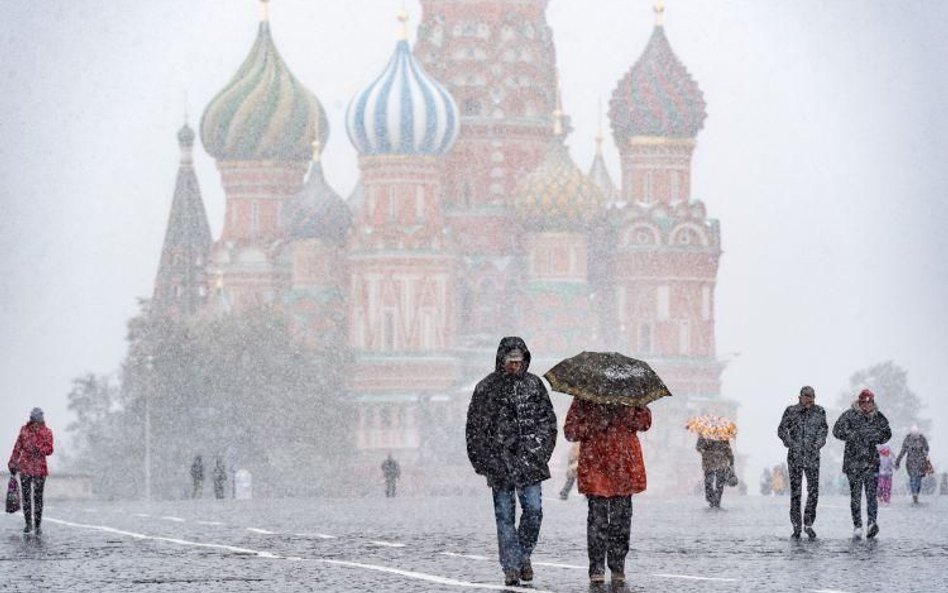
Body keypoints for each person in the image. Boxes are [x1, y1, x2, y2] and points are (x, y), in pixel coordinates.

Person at [465, 337, 557, 587]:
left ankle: (523, 554)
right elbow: (475, 429)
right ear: (501, 361)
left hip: (530, 462)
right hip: (499, 464)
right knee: (504, 517)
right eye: (510, 361)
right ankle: (511, 567)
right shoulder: (487, 388)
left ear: (524, 360)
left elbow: (548, 422)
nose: (515, 366)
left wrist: (539, 452)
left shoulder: (534, 385)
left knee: (534, 512)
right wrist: (484, 462)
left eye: (518, 361)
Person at [564, 400, 651, 585]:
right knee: (597, 520)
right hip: (597, 464)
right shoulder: (584, 397)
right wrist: (595, 423)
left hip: (623, 465)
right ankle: (597, 566)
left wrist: (634, 411)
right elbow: (570, 431)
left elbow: (644, 424)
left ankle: (617, 565)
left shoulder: (632, 397)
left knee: (621, 520)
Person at [833, 389, 891, 539]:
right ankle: (857, 525)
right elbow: (836, 430)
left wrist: (874, 436)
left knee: (871, 495)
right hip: (853, 462)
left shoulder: (878, 417)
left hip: (871, 462)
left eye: (869, 402)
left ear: (873, 402)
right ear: (859, 402)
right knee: (856, 496)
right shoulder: (849, 415)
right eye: (864, 402)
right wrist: (852, 435)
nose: (866, 405)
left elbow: (887, 433)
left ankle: (872, 523)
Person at [777, 385, 828, 539]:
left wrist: (818, 443)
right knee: (796, 492)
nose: (809, 399)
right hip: (795, 456)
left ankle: (808, 522)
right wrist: (789, 442)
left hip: (812, 456)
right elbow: (781, 429)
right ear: (800, 397)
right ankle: (796, 525)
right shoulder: (791, 411)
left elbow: (823, 430)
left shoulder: (819, 411)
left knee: (813, 491)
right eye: (806, 396)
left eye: (811, 397)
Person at [7, 407, 54, 535]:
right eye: (34, 419)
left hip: (40, 469)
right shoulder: (24, 430)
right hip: (25, 467)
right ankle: (28, 524)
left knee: (38, 498)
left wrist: (37, 445)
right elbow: (17, 448)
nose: (35, 421)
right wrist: (12, 462)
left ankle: (37, 525)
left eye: (38, 419)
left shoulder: (47, 432)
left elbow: (49, 450)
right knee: (26, 498)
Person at [894, 426, 930, 504]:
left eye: (915, 433)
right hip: (911, 463)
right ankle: (914, 494)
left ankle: (916, 493)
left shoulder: (922, 439)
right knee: (913, 479)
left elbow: (927, 449)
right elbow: (902, 451)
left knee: (918, 480)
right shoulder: (907, 440)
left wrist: (924, 453)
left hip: (921, 463)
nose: (914, 435)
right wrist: (897, 461)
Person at [696, 436, 734, 509]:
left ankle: (716, 500)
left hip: (718, 462)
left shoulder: (722, 435)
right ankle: (711, 498)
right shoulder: (705, 435)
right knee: (710, 481)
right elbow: (698, 447)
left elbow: (727, 449)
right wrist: (704, 449)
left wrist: (731, 459)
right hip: (710, 462)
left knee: (718, 482)